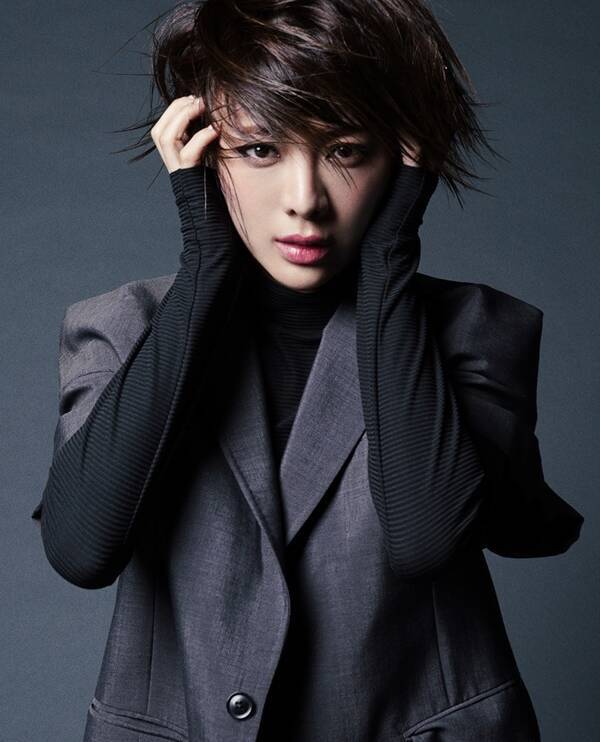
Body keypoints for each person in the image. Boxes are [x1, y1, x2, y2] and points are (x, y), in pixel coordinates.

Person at [32, 1, 584, 740]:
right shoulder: (119, 328)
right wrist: (205, 263)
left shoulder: (476, 331)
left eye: (347, 150)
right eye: (260, 149)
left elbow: (426, 537)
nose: (305, 202)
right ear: (200, 147)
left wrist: (390, 258)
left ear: (404, 157)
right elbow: (81, 551)